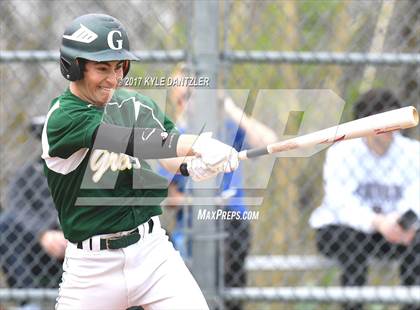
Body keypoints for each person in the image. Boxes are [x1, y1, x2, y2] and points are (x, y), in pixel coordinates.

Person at [42, 13, 239, 310]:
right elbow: (136, 142)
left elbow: (168, 151)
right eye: (102, 68)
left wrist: (190, 165)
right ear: (74, 67)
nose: (114, 78)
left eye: (119, 66)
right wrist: (199, 143)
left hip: (152, 253)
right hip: (91, 269)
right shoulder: (64, 117)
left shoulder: (134, 103)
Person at [160, 65, 277, 310]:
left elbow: (269, 142)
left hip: (231, 218)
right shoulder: (177, 134)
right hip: (192, 222)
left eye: (193, 95)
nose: (188, 103)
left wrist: (229, 106)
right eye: (181, 98)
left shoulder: (226, 126)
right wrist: (191, 200)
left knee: (229, 239)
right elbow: (165, 191)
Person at [309, 89, 420, 310]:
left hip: (396, 231)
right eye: (382, 123)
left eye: (394, 121)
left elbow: (416, 197)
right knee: (349, 241)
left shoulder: (412, 152)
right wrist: (377, 222)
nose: (390, 129)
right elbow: (340, 203)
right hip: (347, 230)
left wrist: (405, 222)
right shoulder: (342, 152)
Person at [0, 116, 66, 309]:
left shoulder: (89, 171)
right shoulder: (28, 174)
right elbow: (16, 208)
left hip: (83, 244)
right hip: (40, 248)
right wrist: (43, 232)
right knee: (6, 226)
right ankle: (29, 302)